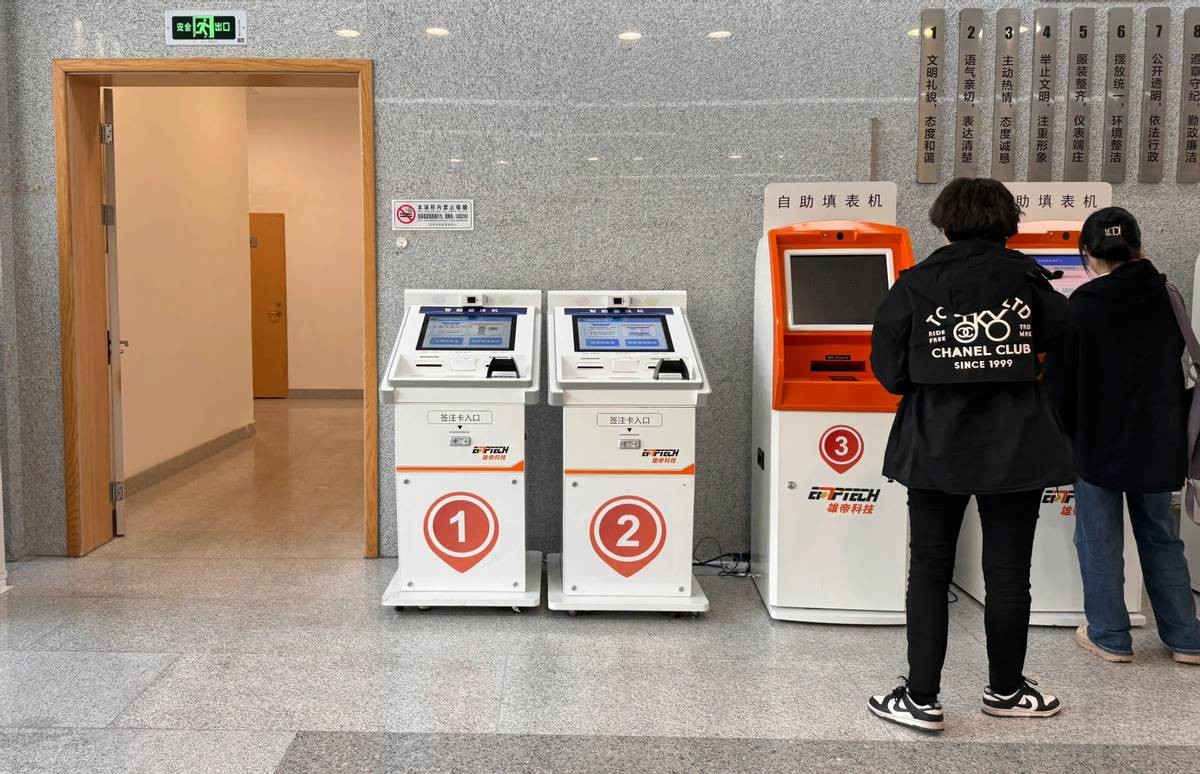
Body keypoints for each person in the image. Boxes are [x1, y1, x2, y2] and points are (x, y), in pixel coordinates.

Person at [866, 177, 1071, 732]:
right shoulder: (1031, 283)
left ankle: (920, 698)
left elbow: (890, 372)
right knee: (1009, 574)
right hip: (1017, 444)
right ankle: (1006, 691)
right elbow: (1064, 346)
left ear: (944, 224)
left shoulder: (913, 285)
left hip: (936, 443)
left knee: (930, 570)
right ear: (1008, 225)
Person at [1049, 206, 1200, 665]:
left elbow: (1060, 381)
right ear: (1138, 246)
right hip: (1157, 437)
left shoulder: (1083, 304)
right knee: (1161, 535)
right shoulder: (1167, 295)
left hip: (1098, 439)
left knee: (1099, 538)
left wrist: (1061, 431)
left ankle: (1111, 636)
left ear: (1088, 253)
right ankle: (1186, 637)